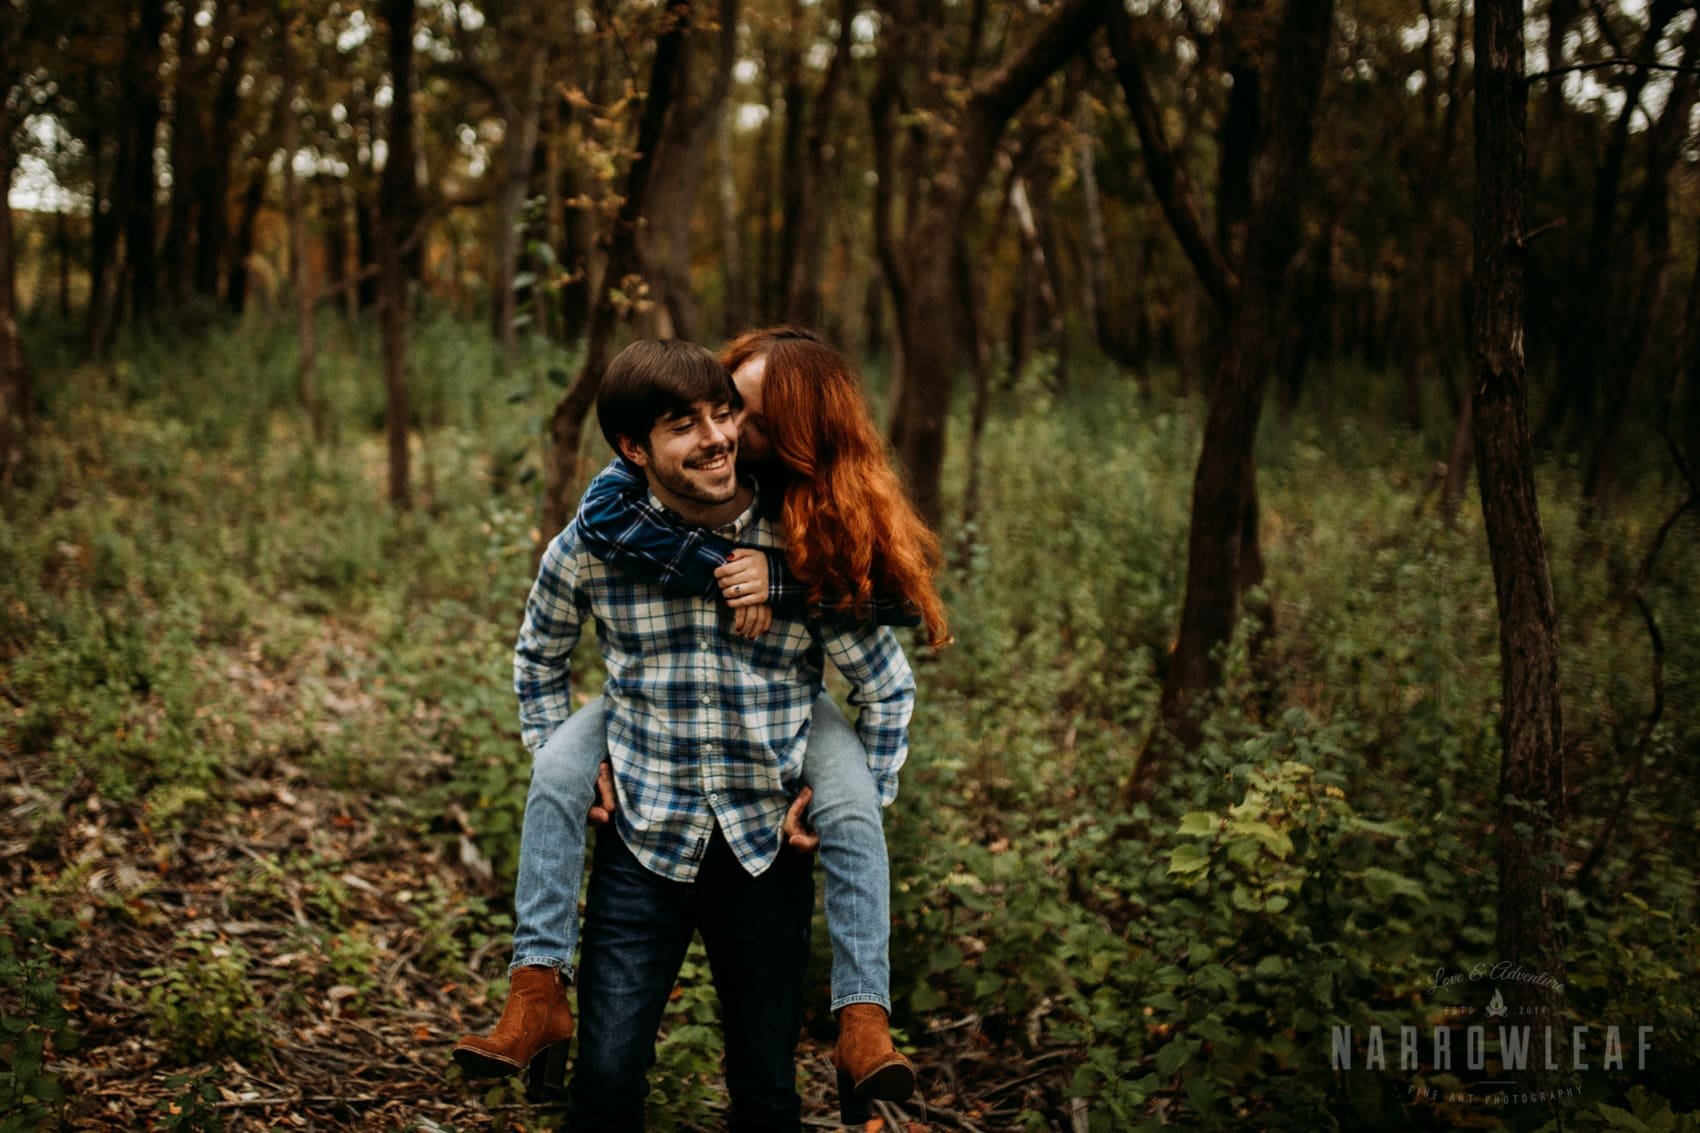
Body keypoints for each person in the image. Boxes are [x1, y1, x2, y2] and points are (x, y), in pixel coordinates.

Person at [454, 337, 946, 1128]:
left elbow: (885, 671)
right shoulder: (596, 537)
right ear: (633, 447)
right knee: (607, 1082)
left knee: (766, 1091)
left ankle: (865, 1021)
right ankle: (535, 992)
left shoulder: (802, 534)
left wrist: (841, 786)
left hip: (764, 843)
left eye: (732, 416)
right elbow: (538, 655)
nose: (723, 435)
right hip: (644, 839)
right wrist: (562, 747)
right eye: (690, 422)